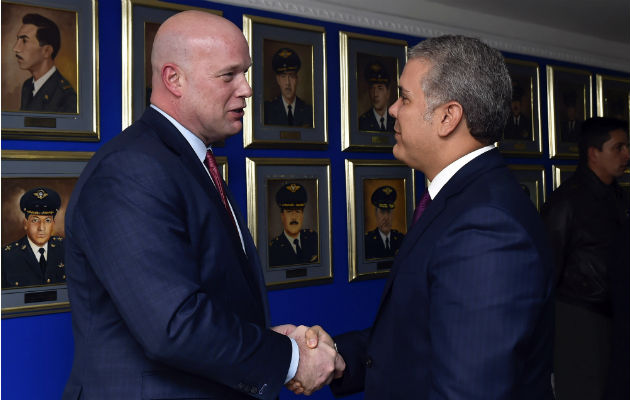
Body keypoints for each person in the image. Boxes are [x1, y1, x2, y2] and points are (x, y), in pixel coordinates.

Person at [62, 11, 343, 399]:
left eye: (245, 73)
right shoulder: (130, 170)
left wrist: (266, 340)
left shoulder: (186, 161)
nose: (246, 89)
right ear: (173, 79)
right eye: (228, 76)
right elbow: (173, 325)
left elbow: (207, 296)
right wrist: (292, 359)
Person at [297, 35, 555, 399]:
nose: (392, 109)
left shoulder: (487, 224)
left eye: (404, 97)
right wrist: (336, 357)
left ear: (448, 117)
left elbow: (470, 390)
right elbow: (417, 337)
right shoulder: (460, 200)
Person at [541, 117, 630, 400]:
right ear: (594, 153)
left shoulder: (618, 197)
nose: (627, 155)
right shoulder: (566, 202)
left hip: (616, 315)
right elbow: (546, 270)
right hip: (580, 320)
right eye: (619, 148)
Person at [2, 187, 66, 288]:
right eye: (35, 220)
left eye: (47, 221)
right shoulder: (6, 257)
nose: (41, 228)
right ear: (25, 224)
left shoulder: (67, 249)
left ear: (53, 224)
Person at [13, 13, 76, 113]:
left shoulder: (65, 96)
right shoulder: (28, 86)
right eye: (18, 40)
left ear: (47, 51)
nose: (15, 48)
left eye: (24, 41)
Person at [269, 182, 319, 267]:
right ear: (282, 216)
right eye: (289, 212)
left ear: (302, 215)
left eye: (298, 211)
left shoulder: (313, 239)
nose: (294, 217)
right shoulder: (273, 249)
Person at [263, 47, 313, 127]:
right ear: (278, 80)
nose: (287, 83)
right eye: (283, 76)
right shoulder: (267, 110)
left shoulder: (308, 111)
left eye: (291, 76)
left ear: (297, 79)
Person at [364, 185, 405, 259]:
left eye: (389, 212)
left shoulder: (401, 240)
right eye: (382, 212)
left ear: (393, 214)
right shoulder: (367, 241)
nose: (386, 217)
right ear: (376, 214)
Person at [358, 61, 396, 132]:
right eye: (372, 88)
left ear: (388, 92)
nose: (375, 94)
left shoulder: (396, 120)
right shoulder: (362, 122)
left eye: (380, 88)